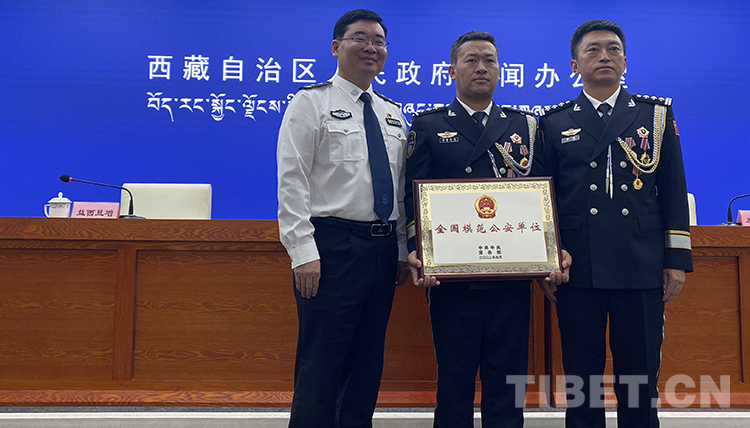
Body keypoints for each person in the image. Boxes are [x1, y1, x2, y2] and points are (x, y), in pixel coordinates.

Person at [404, 31, 571, 428]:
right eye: (471, 60)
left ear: (499, 69)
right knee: (454, 383)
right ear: (451, 71)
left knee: (507, 386)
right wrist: (419, 250)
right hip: (451, 279)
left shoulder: (524, 126)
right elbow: (412, 197)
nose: (481, 68)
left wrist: (552, 250)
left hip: (511, 279)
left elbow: (545, 197)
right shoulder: (429, 125)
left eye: (489, 60)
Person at [538, 19, 693, 428]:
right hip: (577, 267)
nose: (604, 56)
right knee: (581, 381)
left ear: (625, 60)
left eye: (613, 49)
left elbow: (673, 190)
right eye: (592, 49)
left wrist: (675, 260)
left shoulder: (654, 115)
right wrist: (546, 260)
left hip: (639, 265)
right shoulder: (552, 122)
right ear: (574, 65)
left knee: (639, 381)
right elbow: (544, 200)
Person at [276, 9, 409, 428]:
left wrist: (401, 251)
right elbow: (292, 180)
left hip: (381, 249)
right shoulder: (310, 102)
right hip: (332, 248)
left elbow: (399, 190)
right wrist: (302, 251)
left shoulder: (392, 113)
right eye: (360, 38)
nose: (371, 47)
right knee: (322, 361)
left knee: (367, 363)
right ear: (336, 47)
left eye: (379, 41)